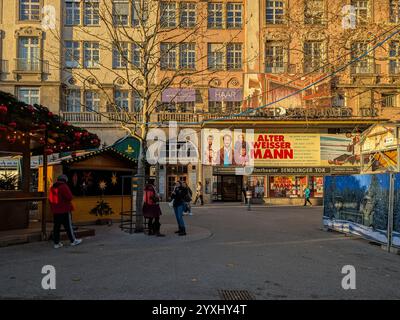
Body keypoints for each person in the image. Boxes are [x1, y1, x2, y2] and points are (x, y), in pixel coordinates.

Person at [48, 175, 82, 249]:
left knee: (56, 227)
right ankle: (73, 241)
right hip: (64, 210)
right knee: (68, 226)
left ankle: (56, 243)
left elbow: (50, 200)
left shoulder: (52, 187)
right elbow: (69, 197)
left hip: (56, 210)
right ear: (65, 180)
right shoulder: (63, 186)